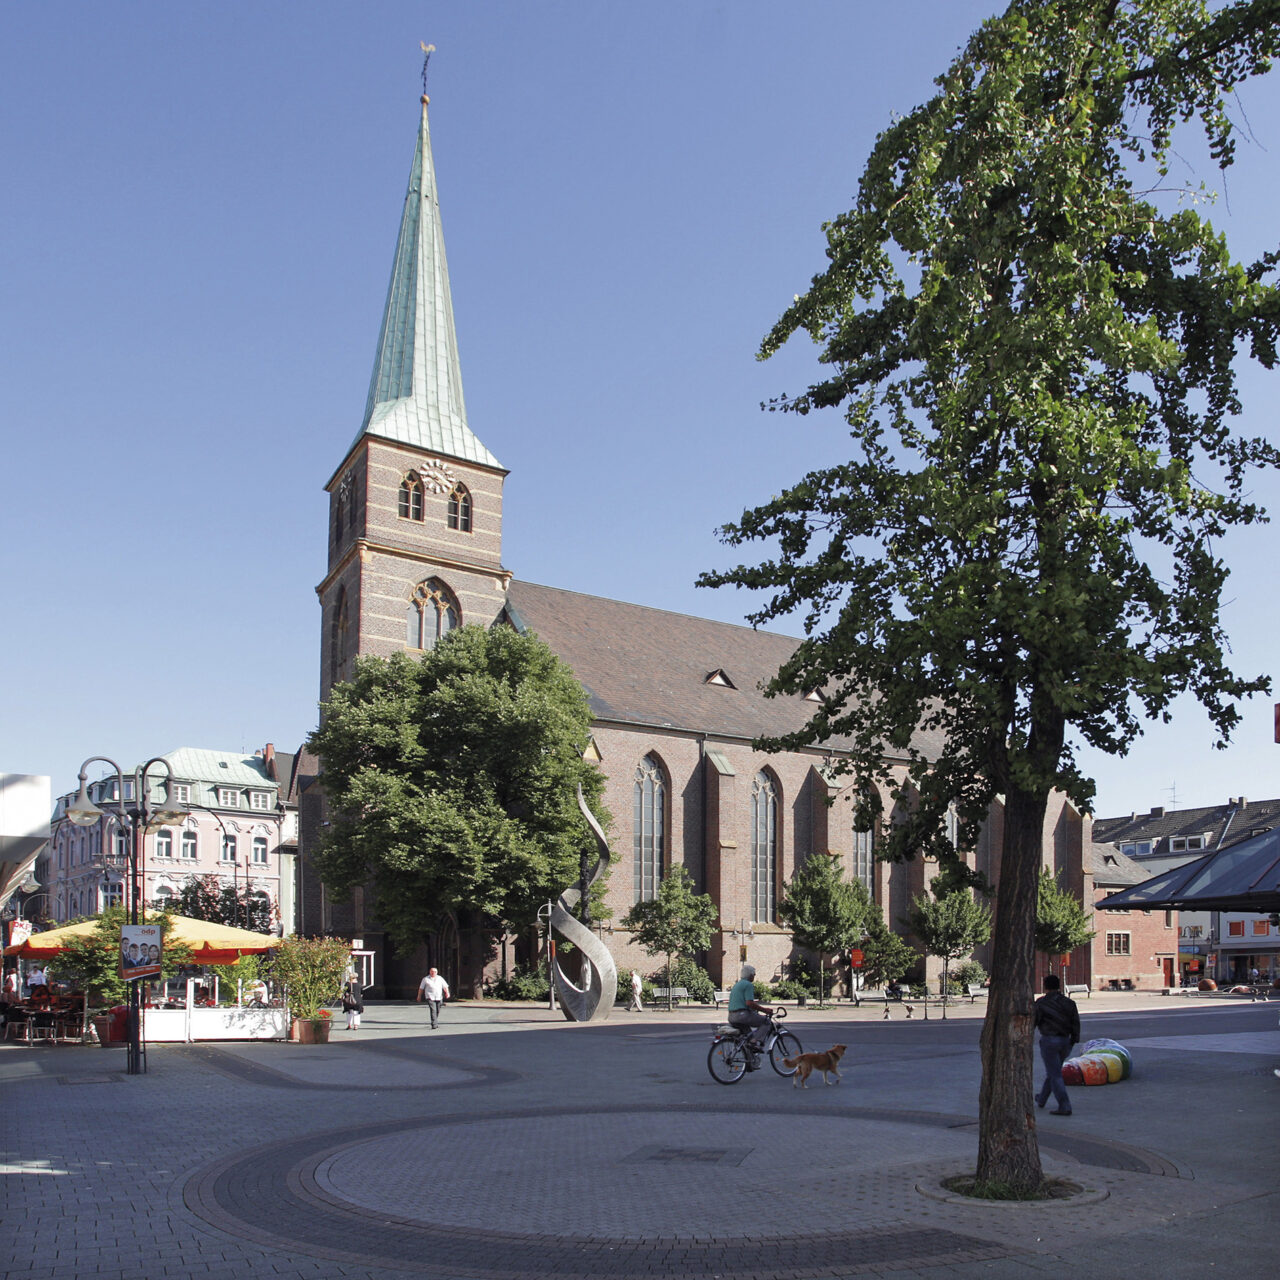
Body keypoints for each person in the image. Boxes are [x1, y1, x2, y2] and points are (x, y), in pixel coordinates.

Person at [1034, 973, 1081, 1116]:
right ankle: (1042, 1098)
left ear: (1045, 986)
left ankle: (1064, 1105)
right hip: (1065, 1041)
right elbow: (1075, 1023)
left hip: (1049, 1040)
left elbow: (1034, 1021)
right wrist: (1073, 1040)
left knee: (1055, 1074)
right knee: (1054, 1071)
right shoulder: (1069, 1003)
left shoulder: (1041, 1003)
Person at [726, 964, 774, 1064]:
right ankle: (754, 1043)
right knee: (766, 1022)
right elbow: (749, 1003)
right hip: (742, 1015)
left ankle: (750, 1062)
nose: (754, 976)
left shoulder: (737, 985)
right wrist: (765, 1010)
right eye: (754, 974)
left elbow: (742, 1002)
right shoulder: (748, 985)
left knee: (748, 1036)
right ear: (750, 975)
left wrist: (753, 1010)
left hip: (732, 1016)